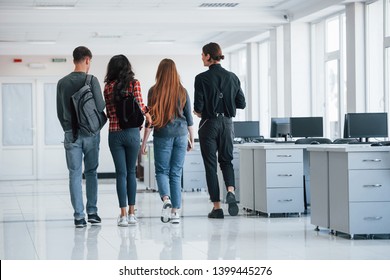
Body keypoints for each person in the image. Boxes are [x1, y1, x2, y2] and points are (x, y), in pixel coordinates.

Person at [193, 42, 246, 219]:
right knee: (226, 161)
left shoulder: (201, 78)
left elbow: (198, 107)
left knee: (210, 166)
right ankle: (230, 190)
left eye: (202, 54)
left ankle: (217, 207)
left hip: (209, 123)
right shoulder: (233, 77)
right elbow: (242, 104)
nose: (201, 57)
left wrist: (198, 111)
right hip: (228, 124)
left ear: (209, 56)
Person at [141, 58, 195, 224]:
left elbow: (150, 120)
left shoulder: (153, 91)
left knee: (162, 171)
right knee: (176, 173)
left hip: (162, 134)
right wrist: (191, 138)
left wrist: (143, 143)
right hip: (180, 134)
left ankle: (166, 199)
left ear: (160, 72)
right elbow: (189, 117)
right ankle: (175, 213)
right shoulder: (182, 91)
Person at [57, 46, 105, 228]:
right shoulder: (91, 80)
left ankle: (79, 216)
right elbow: (100, 107)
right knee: (91, 172)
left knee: (74, 174)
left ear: (73, 60)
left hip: (71, 134)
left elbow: (59, 111)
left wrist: (69, 129)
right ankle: (92, 212)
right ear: (86, 60)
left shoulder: (62, 83)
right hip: (91, 133)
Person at [104, 54, 152, 227]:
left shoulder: (108, 87)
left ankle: (122, 214)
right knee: (131, 172)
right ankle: (132, 213)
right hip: (132, 133)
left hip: (115, 134)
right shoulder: (134, 84)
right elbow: (140, 106)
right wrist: (148, 112)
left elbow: (109, 113)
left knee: (121, 174)